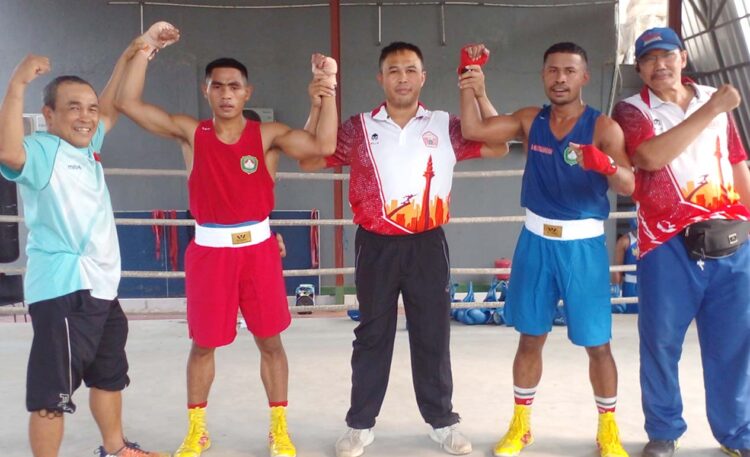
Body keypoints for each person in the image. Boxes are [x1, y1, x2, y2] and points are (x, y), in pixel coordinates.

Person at [115, 22, 339, 457]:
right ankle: (197, 430)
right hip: (210, 254)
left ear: (247, 93)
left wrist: (327, 86)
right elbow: (127, 102)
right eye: (217, 86)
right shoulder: (190, 133)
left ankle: (279, 429)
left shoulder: (268, 137)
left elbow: (323, 144)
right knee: (202, 345)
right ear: (207, 92)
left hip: (257, 252)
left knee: (270, 342)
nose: (225, 94)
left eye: (234, 86)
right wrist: (145, 46)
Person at [301, 41, 508, 457]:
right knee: (372, 335)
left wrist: (480, 92)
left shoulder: (447, 124)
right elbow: (309, 157)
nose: (402, 77)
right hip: (375, 245)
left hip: (427, 245)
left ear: (423, 77)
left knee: (432, 333)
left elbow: (499, 144)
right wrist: (320, 98)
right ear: (380, 78)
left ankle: (442, 420)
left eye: (411, 70)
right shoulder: (358, 127)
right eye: (393, 70)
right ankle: (359, 424)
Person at [459, 42, 635, 457]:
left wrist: (606, 165)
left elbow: (629, 185)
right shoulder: (528, 119)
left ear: (584, 77)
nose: (560, 78)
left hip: (584, 248)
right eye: (553, 70)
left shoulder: (603, 127)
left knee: (599, 344)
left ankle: (608, 430)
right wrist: (468, 78)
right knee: (530, 337)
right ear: (543, 75)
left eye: (570, 71)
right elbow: (474, 131)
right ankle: (521, 426)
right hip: (536, 242)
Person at [0, 41, 170, 457]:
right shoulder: (41, 151)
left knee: (109, 377)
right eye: (73, 108)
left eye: (89, 108)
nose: (86, 116)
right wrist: (18, 82)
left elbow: (110, 106)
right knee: (51, 395)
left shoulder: (89, 148)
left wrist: (133, 52)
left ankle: (116, 448)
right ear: (49, 115)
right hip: (64, 290)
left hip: (100, 287)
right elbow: (7, 151)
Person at [612, 27, 750, 457]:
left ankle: (737, 434)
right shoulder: (632, 109)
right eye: (649, 60)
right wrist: (711, 109)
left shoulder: (716, 97)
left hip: (731, 237)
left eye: (666, 55)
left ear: (683, 57)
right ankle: (664, 430)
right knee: (661, 341)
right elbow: (649, 157)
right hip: (665, 243)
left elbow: (737, 161)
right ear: (639, 69)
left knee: (734, 343)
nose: (660, 65)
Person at [610, 216, 638, 313]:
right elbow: (618, 268)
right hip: (631, 286)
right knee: (630, 316)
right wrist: (616, 289)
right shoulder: (624, 241)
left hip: (649, 283)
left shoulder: (654, 240)